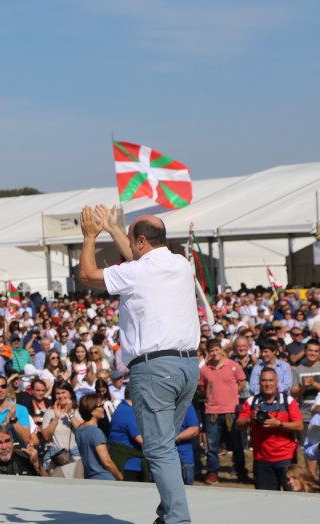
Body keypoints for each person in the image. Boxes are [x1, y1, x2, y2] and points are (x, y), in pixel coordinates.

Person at [80, 206, 200, 524]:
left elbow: (87, 275)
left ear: (142, 241)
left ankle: (177, 519)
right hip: (187, 367)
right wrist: (115, 229)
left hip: (155, 370)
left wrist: (91, 236)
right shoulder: (180, 264)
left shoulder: (138, 271)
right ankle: (168, 514)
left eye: (133, 241)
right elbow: (139, 259)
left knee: (159, 450)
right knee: (165, 446)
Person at [236, 368, 303, 490]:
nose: (267, 384)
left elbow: (299, 425)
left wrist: (278, 424)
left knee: (292, 497)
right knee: (266, 500)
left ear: (277, 382)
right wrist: (250, 419)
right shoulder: (251, 401)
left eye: (271, 380)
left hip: (286, 457)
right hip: (262, 459)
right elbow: (238, 425)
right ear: (259, 383)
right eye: (264, 380)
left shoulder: (288, 400)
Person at [197, 338, 248, 484]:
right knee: (212, 446)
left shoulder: (233, 365)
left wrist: (232, 394)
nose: (214, 353)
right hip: (212, 411)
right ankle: (212, 472)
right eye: (211, 351)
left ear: (221, 349)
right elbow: (201, 387)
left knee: (237, 445)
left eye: (216, 349)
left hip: (231, 411)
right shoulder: (204, 369)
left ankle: (240, 472)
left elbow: (242, 382)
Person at [75, 394, 122, 481]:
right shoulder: (95, 432)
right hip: (104, 479)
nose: (103, 408)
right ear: (92, 410)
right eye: (101, 406)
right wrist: (119, 476)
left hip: (89, 478)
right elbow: (107, 462)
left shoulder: (79, 430)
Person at [41, 381, 83, 479]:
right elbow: (46, 435)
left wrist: (70, 413)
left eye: (63, 392)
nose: (60, 396)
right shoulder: (49, 413)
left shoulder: (78, 411)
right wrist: (56, 418)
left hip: (76, 459)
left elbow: (81, 431)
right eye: (57, 393)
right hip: (57, 459)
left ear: (70, 394)